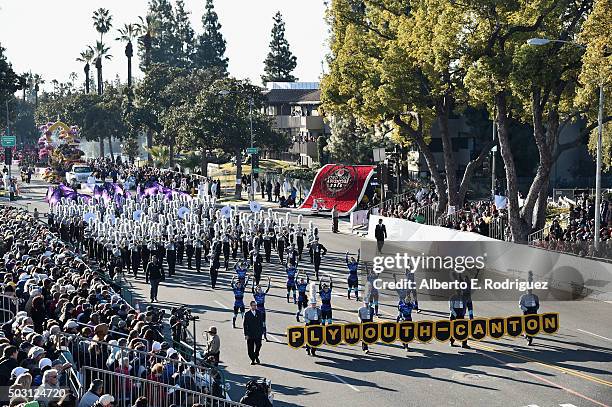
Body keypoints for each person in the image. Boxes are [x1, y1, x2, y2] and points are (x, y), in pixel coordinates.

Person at [303, 283, 322, 356]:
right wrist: (309, 321)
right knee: (308, 337)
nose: (314, 305)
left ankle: (314, 350)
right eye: (312, 304)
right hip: (309, 323)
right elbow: (304, 317)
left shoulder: (318, 310)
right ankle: (308, 348)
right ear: (310, 304)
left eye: (314, 303)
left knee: (316, 337)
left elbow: (320, 316)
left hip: (316, 323)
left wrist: (319, 321)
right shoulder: (306, 310)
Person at [243, 301, 265, 365]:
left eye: (255, 305)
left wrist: (262, 331)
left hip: (258, 333)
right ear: (250, 306)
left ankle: (256, 355)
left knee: (259, 345)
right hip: (250, 334)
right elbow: (245, 325)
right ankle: (253, 359)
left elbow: (261, 323)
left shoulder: (259, 313)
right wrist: (246, 334)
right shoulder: (247, 314)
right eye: (253, 305)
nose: (255, 306)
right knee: (250, 348)